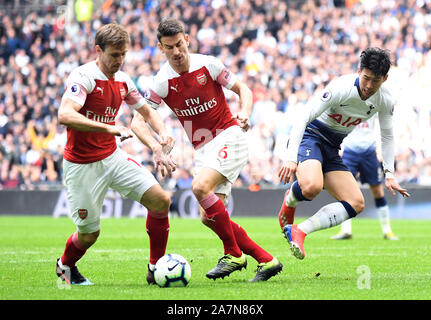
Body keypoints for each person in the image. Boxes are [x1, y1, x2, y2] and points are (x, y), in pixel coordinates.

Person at [132, 17, 282, 282]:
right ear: (161, 48)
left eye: (179, 44)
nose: (176, 52)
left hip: (229, 135)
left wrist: (245, 112)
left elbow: (242, 88)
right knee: (208, 217)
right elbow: (137, 121)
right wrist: (155, 146)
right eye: (169, 47)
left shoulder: (208, 65)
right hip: (203, 148)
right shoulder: (161, 82)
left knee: (200, 187)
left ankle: (233, 254)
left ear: (187, 40)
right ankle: (267, 261)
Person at [56, 23, 176, 285]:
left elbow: (146, 111)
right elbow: (65, 115)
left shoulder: (123, 80)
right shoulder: (83, 77)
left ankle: (155, 269)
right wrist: (109, 128)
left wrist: (162, 134)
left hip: (112, 158)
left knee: (160, 201)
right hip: (82, 166)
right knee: (89, 235)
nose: (119, 61)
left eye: (123, 54)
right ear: (98, 50)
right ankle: (65, 265)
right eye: (114, 55)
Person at [277, 47, 410, 260]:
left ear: (385, 78)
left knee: (357, 203)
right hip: (312, 136)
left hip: (333, 146)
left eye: (375, 81)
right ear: (359, 71)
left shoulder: (385, 99)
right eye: (366, 78)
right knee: (312, 187)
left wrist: (390, 173)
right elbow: (303, 117)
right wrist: (291, 157)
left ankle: (299, 231)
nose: (368, 86)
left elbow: (386, 136)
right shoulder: (340, 87)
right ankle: (292, 196)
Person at [331, 116, 398, 240]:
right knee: (344, 191)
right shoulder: (348, 101)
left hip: (369, 151)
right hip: (349, 151)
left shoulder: (373, 102)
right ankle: (346, 230)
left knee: (377, 190)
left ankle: (387, 231)